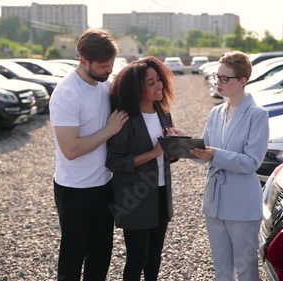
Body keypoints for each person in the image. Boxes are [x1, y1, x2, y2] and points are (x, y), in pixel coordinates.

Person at [49, 28, 129, 281]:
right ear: (83, 60)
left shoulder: (104, 84)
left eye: (111, 64)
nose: (109, 70)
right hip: (74, 190)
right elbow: (70, 150)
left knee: (101, 255)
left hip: (104, 185)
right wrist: (109, 130)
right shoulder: (66, 94)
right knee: (73, 257)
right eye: (103, 65)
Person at [190, 51, 269, 281]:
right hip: (215, 202)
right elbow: (205, 152)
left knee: (245, 270)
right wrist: (184, 144)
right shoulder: (216, 112)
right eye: (218, 76)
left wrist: (215, 155)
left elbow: (251, 162)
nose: (218, 82)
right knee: (221, 269)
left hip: (242, 204)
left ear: (243, 81)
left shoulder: (258, 115)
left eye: (225, 78)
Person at [106, 56, 180, 281]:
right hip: (135, 199)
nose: (159, 85)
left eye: (158, 79)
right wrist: (152, 153)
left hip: (160, 194)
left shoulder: (163, 113)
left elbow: (167, 156)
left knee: (155, 256)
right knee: (137, 258)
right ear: (137, 89)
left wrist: (176, 145)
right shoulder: (124, 119)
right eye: (151, 83)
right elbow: (114, 163)